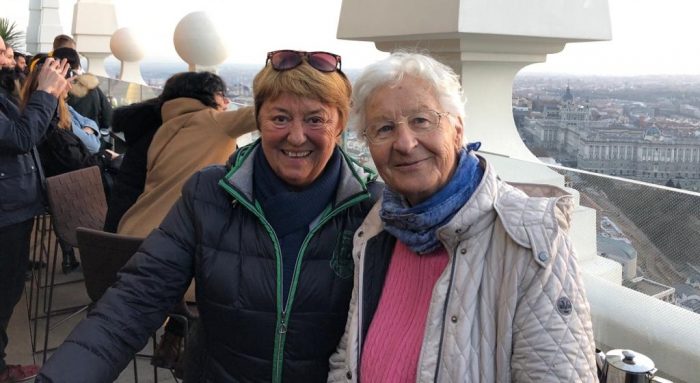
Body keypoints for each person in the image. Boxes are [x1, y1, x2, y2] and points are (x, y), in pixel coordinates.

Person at [36, 49, 382, 382]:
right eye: (279, 117)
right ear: (258, 119)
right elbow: (135, 300)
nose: (296, 135)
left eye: (315, 119)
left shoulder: (374, 211)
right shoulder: (209, 194)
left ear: (340, 125)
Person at [328, 52, 597, 382]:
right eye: (384, 128)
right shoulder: (377, 230)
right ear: (368, 144)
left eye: (421, 121)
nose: (405, 142)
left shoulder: (531, 239)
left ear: (457, 128)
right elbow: (348, 357)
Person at [114, 71, 256, 373]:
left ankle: (178, 331)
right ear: (210, 98)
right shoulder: (214, 121)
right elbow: (272, 112)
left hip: (128, 242)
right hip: (171, 256)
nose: (227, 102)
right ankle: (199, 353)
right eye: (223, 96)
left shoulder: (164, 129)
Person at [0, 36, 71, 383]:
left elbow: (29, 134)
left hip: (14, 206)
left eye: (8, 49)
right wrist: (44, 94)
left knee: (8, 289)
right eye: (0, 52)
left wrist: (50, 96)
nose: (10, 57)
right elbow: (19, 138)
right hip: (5, 212)